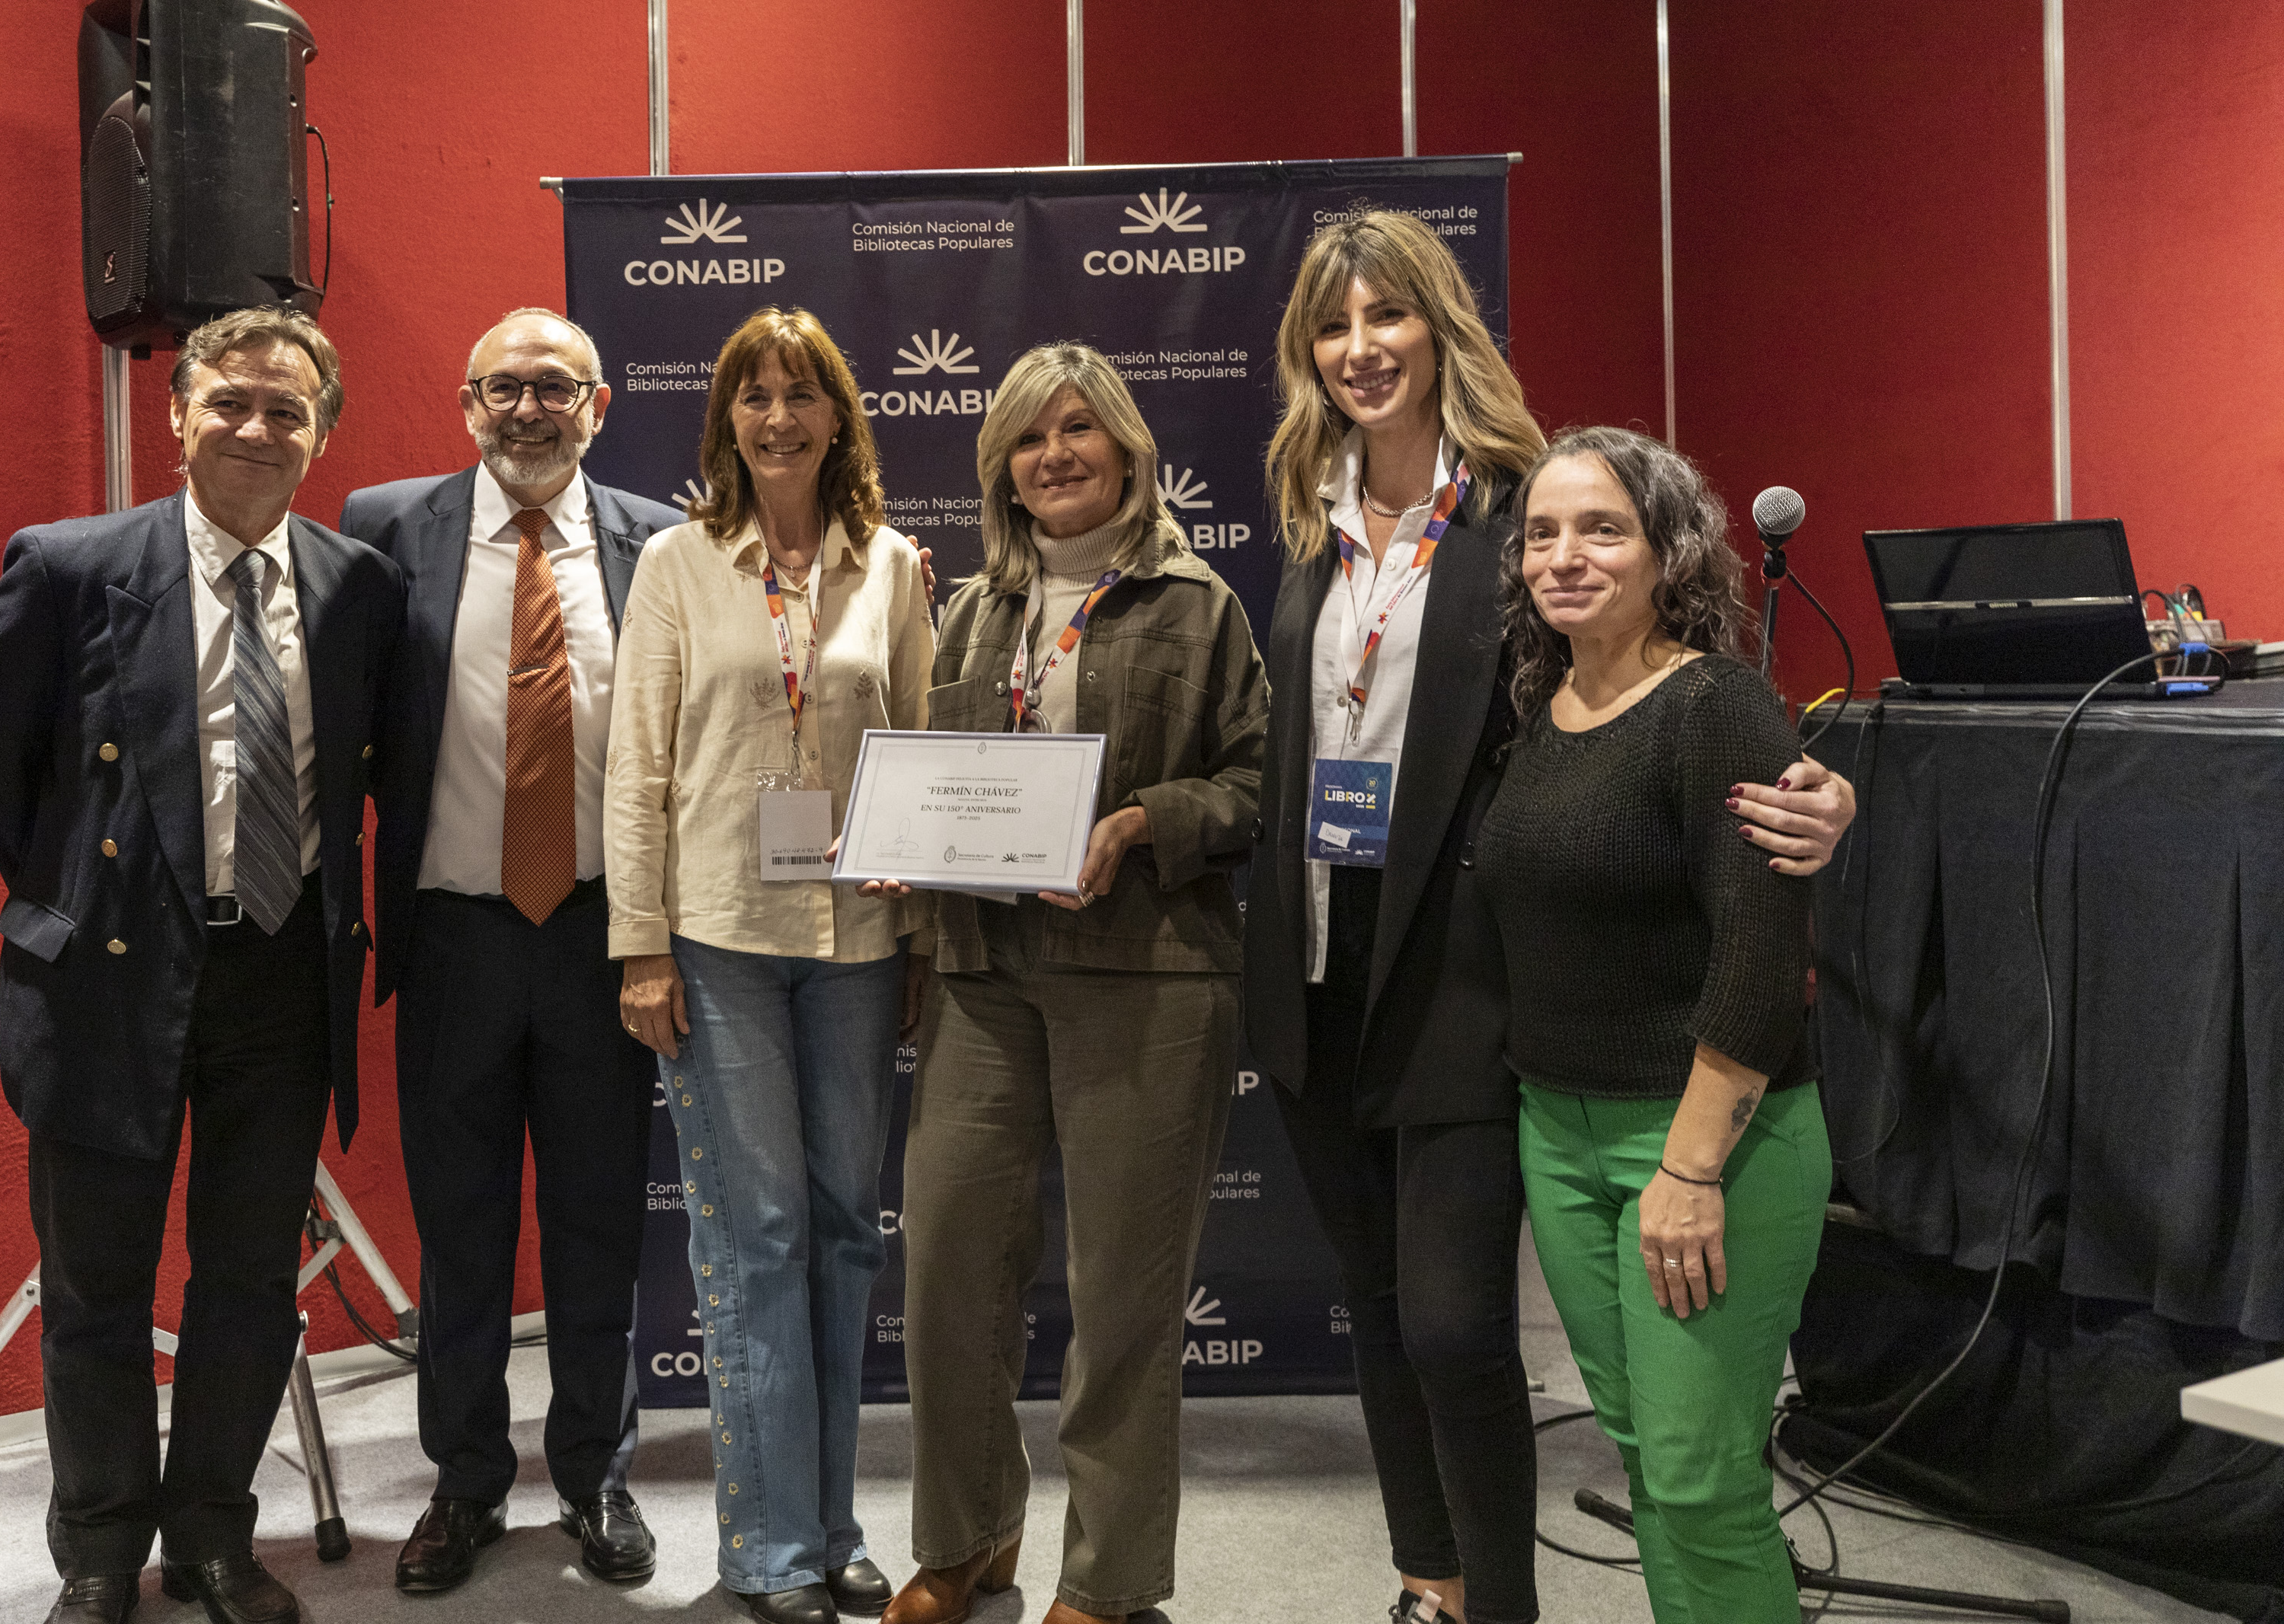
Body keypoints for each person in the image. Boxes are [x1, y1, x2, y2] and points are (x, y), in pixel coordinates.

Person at [1238, 212, 1855, 1624]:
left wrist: (1825, 795)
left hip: (1462, 975)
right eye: (1332, 326)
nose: (1360, 349)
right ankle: (1435, 1584)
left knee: (1457, 1328)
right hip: (1321, 964)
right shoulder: (1310, 511)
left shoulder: (1525, 509)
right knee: (1383, 1317)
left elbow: (1658, 703)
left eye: (1387, 315)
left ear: (1439, 325)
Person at [0, 306, 400, 1624]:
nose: (256, 428)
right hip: (109, 968)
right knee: (95, 1283)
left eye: (286, 409)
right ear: (177, 415)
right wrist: (84, 891)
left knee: (250, 1278)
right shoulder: (70, 566)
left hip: (282, 974)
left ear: (321, 435)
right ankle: (98, 1551)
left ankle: (212, 1535)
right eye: (231, 402)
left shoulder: (360, 587)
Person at [866, 343, 1268, 1624]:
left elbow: (1257, 782)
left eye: (1080, 429)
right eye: (1031, 438)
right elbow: (945, 776)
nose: (1056, 455)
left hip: (1146, 973)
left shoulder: (1198, 603)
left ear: (1130, 449)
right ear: (1001, 467)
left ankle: (1108, 1578)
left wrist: (1143, 821)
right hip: (982, 970)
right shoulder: (975, 607)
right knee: (948, 1266)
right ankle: (967, 1535)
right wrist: (905, 841)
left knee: (1126, 1296)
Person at [337, 308, 680, 1593]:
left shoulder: (663, 542)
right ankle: (466, 1480)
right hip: (455, 938)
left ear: (599, 405)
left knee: (598, 1222)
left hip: (605, 935)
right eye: (503, 388)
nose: (528, 409)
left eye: (555, 387)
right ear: (466, 403)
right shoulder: (384, 528)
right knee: (461, 1228)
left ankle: (595, 1473)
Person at [602, 306, 934, 1624]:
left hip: (859, 944)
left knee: (847, 1233)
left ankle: (834, 1526)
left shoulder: (893, 566)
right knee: (761, 1237)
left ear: (839, 415)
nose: (780, 417)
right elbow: (638, 765)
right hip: (721, 938)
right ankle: (770, 1545)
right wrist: (640, 943)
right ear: (726, 420)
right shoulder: (678, 564)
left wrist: (923, 932)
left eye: (802, 393)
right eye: (756, 396)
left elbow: (921, 749)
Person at [1481, 426, 1829, 1622]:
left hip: (1707, 1143)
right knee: (1646, 1461)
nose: (1564, 555)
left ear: (1667, 549)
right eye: (1541, 532)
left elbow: (1762, 957)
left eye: (1602, 528)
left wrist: (1688, 1168)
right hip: (1559, 1135)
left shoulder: (1716, 704)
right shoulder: (1539, 705)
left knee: (1699, 1479)